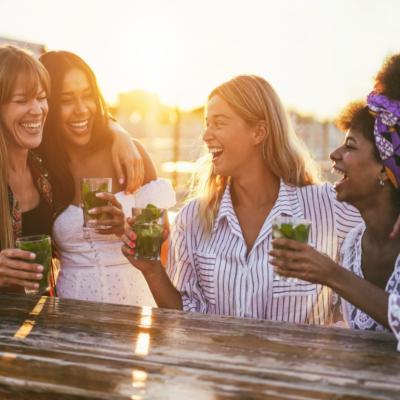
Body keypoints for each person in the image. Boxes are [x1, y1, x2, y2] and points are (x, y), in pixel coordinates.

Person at [122, 74, 365, 323]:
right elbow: (184, 319)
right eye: (207, 123)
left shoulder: (329, 207)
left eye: (218, 123)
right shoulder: (192, 219)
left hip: (297, 363)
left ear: (258, 132)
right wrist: (152, 269)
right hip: (218, 363)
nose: (206, 135)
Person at [269, 54, 400, 332]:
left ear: (384, 169)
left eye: (350, 147)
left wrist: (330, 273)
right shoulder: (353, 244)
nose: (334, 154)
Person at [38, 51, 175, 306]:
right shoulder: (42, 167)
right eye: (66, 100)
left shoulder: (131, 156)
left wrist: (123, 228)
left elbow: (155, 249)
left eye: (87, 95)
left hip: (136, 305)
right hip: (72, 311)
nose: (81, 109)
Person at [0, 45, 53, 293]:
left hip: (41, 324)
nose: (37, 110)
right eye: (21, 100)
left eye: (42, 98)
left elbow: (89, 121)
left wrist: (122, 138)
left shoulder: (43, 166)